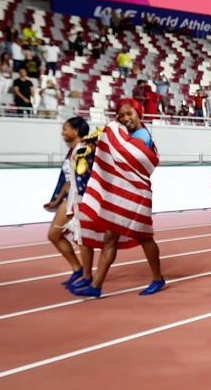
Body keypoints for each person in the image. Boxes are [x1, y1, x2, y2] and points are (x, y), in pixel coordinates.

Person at [74, 99, 165, 297]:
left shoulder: (139, 136)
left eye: (128, 113)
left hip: (137, 195)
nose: (125, 118)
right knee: (110, 238)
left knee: (144, 237)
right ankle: (96, 286)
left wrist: (108, 136)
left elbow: (129, 157)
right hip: (124, 196)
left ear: (138, 113)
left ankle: (158, 278)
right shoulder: (127, 136)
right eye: (121, 116)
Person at [44, 117, 96, 289]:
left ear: (75, 131)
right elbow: (69, 179)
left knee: (84, 239)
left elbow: (88, 177)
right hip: (70, 198)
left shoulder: (85, 150)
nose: (62, 132)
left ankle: (87, 276)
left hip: (82, 198)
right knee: (54, 235)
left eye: (65, 129)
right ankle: (78, 269)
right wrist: (56, 200)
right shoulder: (72, 151)